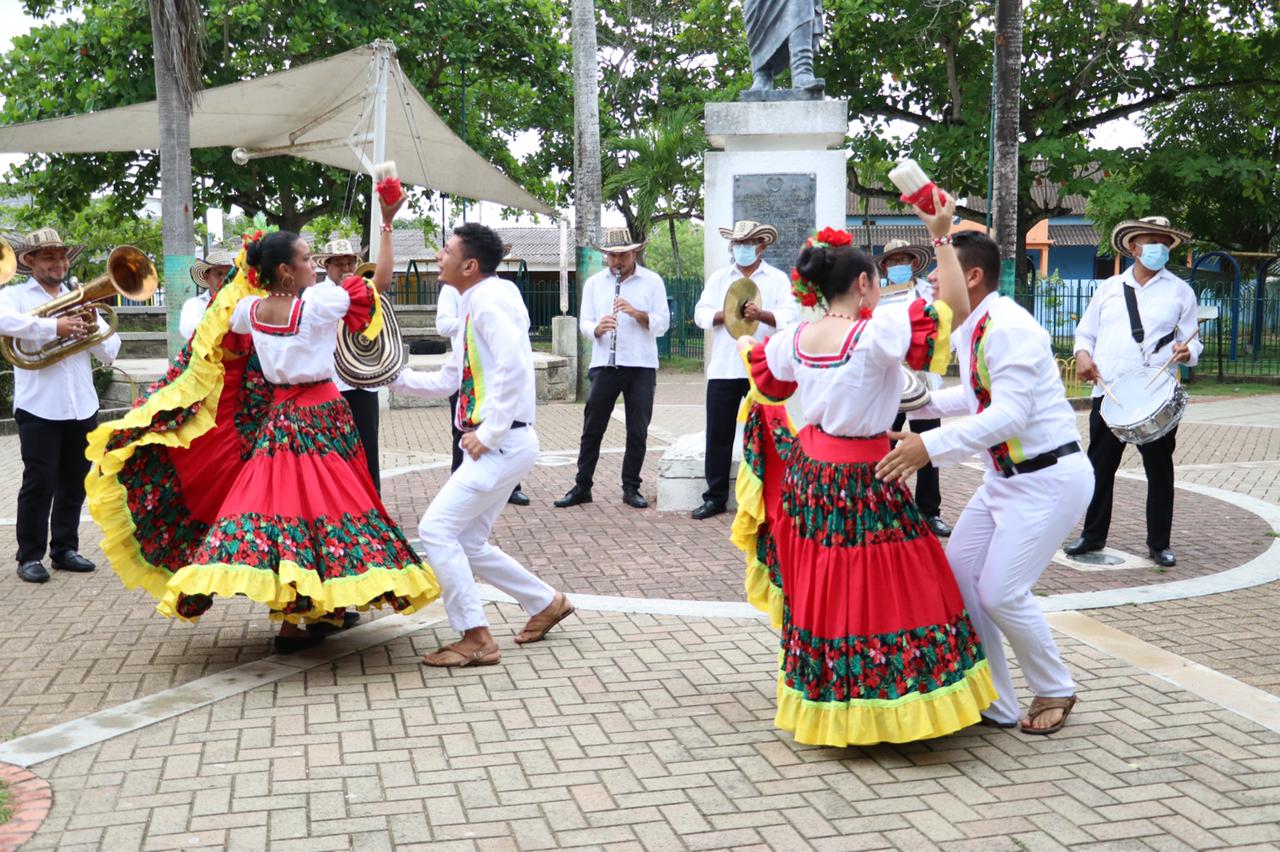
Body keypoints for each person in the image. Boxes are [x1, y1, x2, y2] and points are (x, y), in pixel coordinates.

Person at [732, 192, 996, 748]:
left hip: (814, 474)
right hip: (866, 476)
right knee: (895, 580)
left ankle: (831, 702)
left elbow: (769, 388)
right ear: (862, 286)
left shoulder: (793, 339)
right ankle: (890, 705)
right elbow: (956, 309)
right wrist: (942, 236)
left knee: (826, 583)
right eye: (876, 281)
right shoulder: (875, 335)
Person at [877, 230, 1093, 736]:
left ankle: (1055, 686)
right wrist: (919, 405)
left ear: (970, 277)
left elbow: (1010, 416)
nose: (930, 279)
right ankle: (993, 698)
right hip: (1003, 480)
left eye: (940, 269)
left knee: (1000, 592)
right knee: (958, 581)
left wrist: (926, 446)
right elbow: (977, 396)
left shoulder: (1009, 328)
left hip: (1049, 480)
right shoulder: (970, 326)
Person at [393, 223, 572, 667]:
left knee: (436, 530)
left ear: (469, 265)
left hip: (502, 443)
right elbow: (451, 378)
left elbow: (514, 367)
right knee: (469, 542)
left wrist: (488, 432)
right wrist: (390, 376)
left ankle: (475, 637)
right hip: (507, 443)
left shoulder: (489, 302)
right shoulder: (475, 302)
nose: (439, 256)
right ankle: (547, 602)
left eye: (447, 250)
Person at [87, 245, 274, 624]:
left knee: (260, 498)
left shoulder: (257, 302)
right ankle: (199, 577)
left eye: (230, 272)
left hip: (257, 411)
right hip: (213, 414)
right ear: (207, 278)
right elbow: (205, 336)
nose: (226, 279)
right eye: (219, 273)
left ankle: (282, 592)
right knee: (209, 492)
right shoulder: (202, 308)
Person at [1067, 217, 1200, 568]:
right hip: (1109, 395)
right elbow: (1085, 335)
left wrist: (1188, 353)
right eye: (1150, 241)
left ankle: (1160, 544)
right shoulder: (1109, 288)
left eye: (1164, 242)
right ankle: (1092, 537)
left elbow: (1192, 339)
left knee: (1160, 472)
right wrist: (1082, 356)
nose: (1158, 248)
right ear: (1132, 247)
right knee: (1099, 468)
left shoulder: (1180, 291)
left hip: (1155, 398)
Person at [0, 228, 121, 584]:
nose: (59, 262)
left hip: (81, 404)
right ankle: (30, 555)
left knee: (74, 480)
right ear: (30, 261)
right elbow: (3, 321)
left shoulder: (78, 297)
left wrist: (88, 326)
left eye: (63, 256)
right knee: (39, 481)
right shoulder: (15, 295)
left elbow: (110, 352)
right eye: (50, 256)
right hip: (39, 406)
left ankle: (65, 549)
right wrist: (56, 326)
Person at [555, 229, 670, 510]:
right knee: (592, 427)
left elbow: (663, 323)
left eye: (623, 255)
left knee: (637, 430)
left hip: (641, 365)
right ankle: (583, 485)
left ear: (634, 253)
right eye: (612, 256)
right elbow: (585, 322)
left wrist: (636, 313)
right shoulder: (594, 283)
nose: (617, 261)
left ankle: (631, 487)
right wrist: (597, 328)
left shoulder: (652, 281)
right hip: (604, 363)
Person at [691, 220, 795, 520]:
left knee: (767, 433)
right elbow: (699, 314)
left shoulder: (776, 280)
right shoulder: (720, 278)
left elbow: (791, 317)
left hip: (763, 368)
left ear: (761, 246)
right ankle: (715, 496)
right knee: (718, 433)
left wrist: (761, 313)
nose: (742, 249)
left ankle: (770, 495)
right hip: (724, 367)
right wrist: (723, 314)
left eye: (748, 244)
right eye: (738, 244)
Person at [873, 238, 951, 537]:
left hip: (922, 379)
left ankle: (929, 512)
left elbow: (939, 326)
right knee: (884, 445)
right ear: (886, 266)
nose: (898, 265)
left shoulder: (928, 292)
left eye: (903, 259)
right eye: (893, 261)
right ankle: (882, 507)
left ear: (914, 263)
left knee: (929, 445)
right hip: (889, 380)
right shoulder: (877, 294)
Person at [438, 281, 529, 506]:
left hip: (492, 376)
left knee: (504, 429)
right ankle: (459, 482)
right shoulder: (452, 289)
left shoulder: (506, 289)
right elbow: (442, 325)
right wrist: (473, 321)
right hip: (468, 373)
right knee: (463, 432)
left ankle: (509, 486)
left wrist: (488, 320)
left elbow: (523, 323)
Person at [308, 238, 385, 490]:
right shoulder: (314, 294)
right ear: (327, 266)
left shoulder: (367, 289)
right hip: (332, 383)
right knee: (334, 447)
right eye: (339, 263)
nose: (346, 268)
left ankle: (374, 502)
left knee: (367, 445)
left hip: (364, 380)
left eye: (350, 262)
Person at [179, 249, 235, 339]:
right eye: (219, 274)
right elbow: (188, 331)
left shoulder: (240, 302)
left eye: (228, 274)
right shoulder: (193, 304)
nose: (224, 279)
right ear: (206, 276)